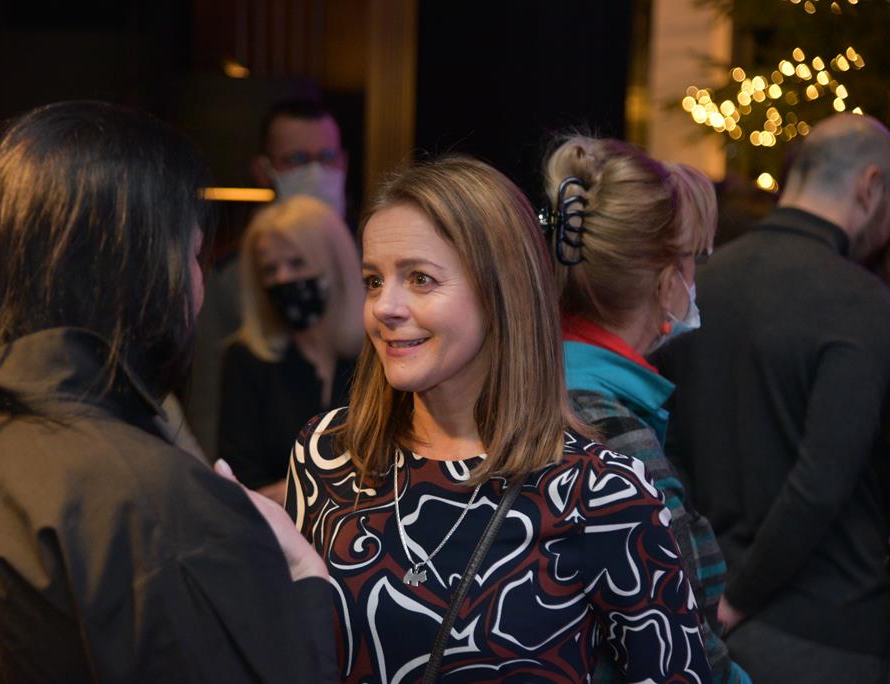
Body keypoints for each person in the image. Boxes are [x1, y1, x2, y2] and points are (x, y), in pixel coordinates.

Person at [0, 101, 335, 683]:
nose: (198, 284)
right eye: (193, 255)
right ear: (140, 270)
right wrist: (303, 576)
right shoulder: (147, 495)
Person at [285, 156, 712, 682]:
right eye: (373, 280)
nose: (384, 306)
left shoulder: (602, 494)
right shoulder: (328, 452)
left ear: (501, 292)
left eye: (420, 278)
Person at [654, 113, 890, 683]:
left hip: (708, 611)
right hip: (826, 632)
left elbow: (668, 440)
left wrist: (713, 591)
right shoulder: (862, 302)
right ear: (870, 186)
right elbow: (820, 481)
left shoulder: (701, 282)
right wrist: (740, 597)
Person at [543, 136, 747, 683]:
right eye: (693, 259)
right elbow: (686, 650)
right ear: (666, 279)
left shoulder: (537, 386)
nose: (695, 280)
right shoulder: (611, 430)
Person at [186, 98, 350, 464]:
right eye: (297, 159)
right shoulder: (228, 279)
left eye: (326, 157)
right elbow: (209, 408)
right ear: (264, 170)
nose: (315, 172)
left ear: (344, 161)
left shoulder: (372, 262)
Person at [220, 195, 363, 502]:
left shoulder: (376, 357)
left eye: (297, 263)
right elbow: (241, 485)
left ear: (335, 266)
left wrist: (295, 489)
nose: (283, 278)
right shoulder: (247, 360)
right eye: (270, 270)